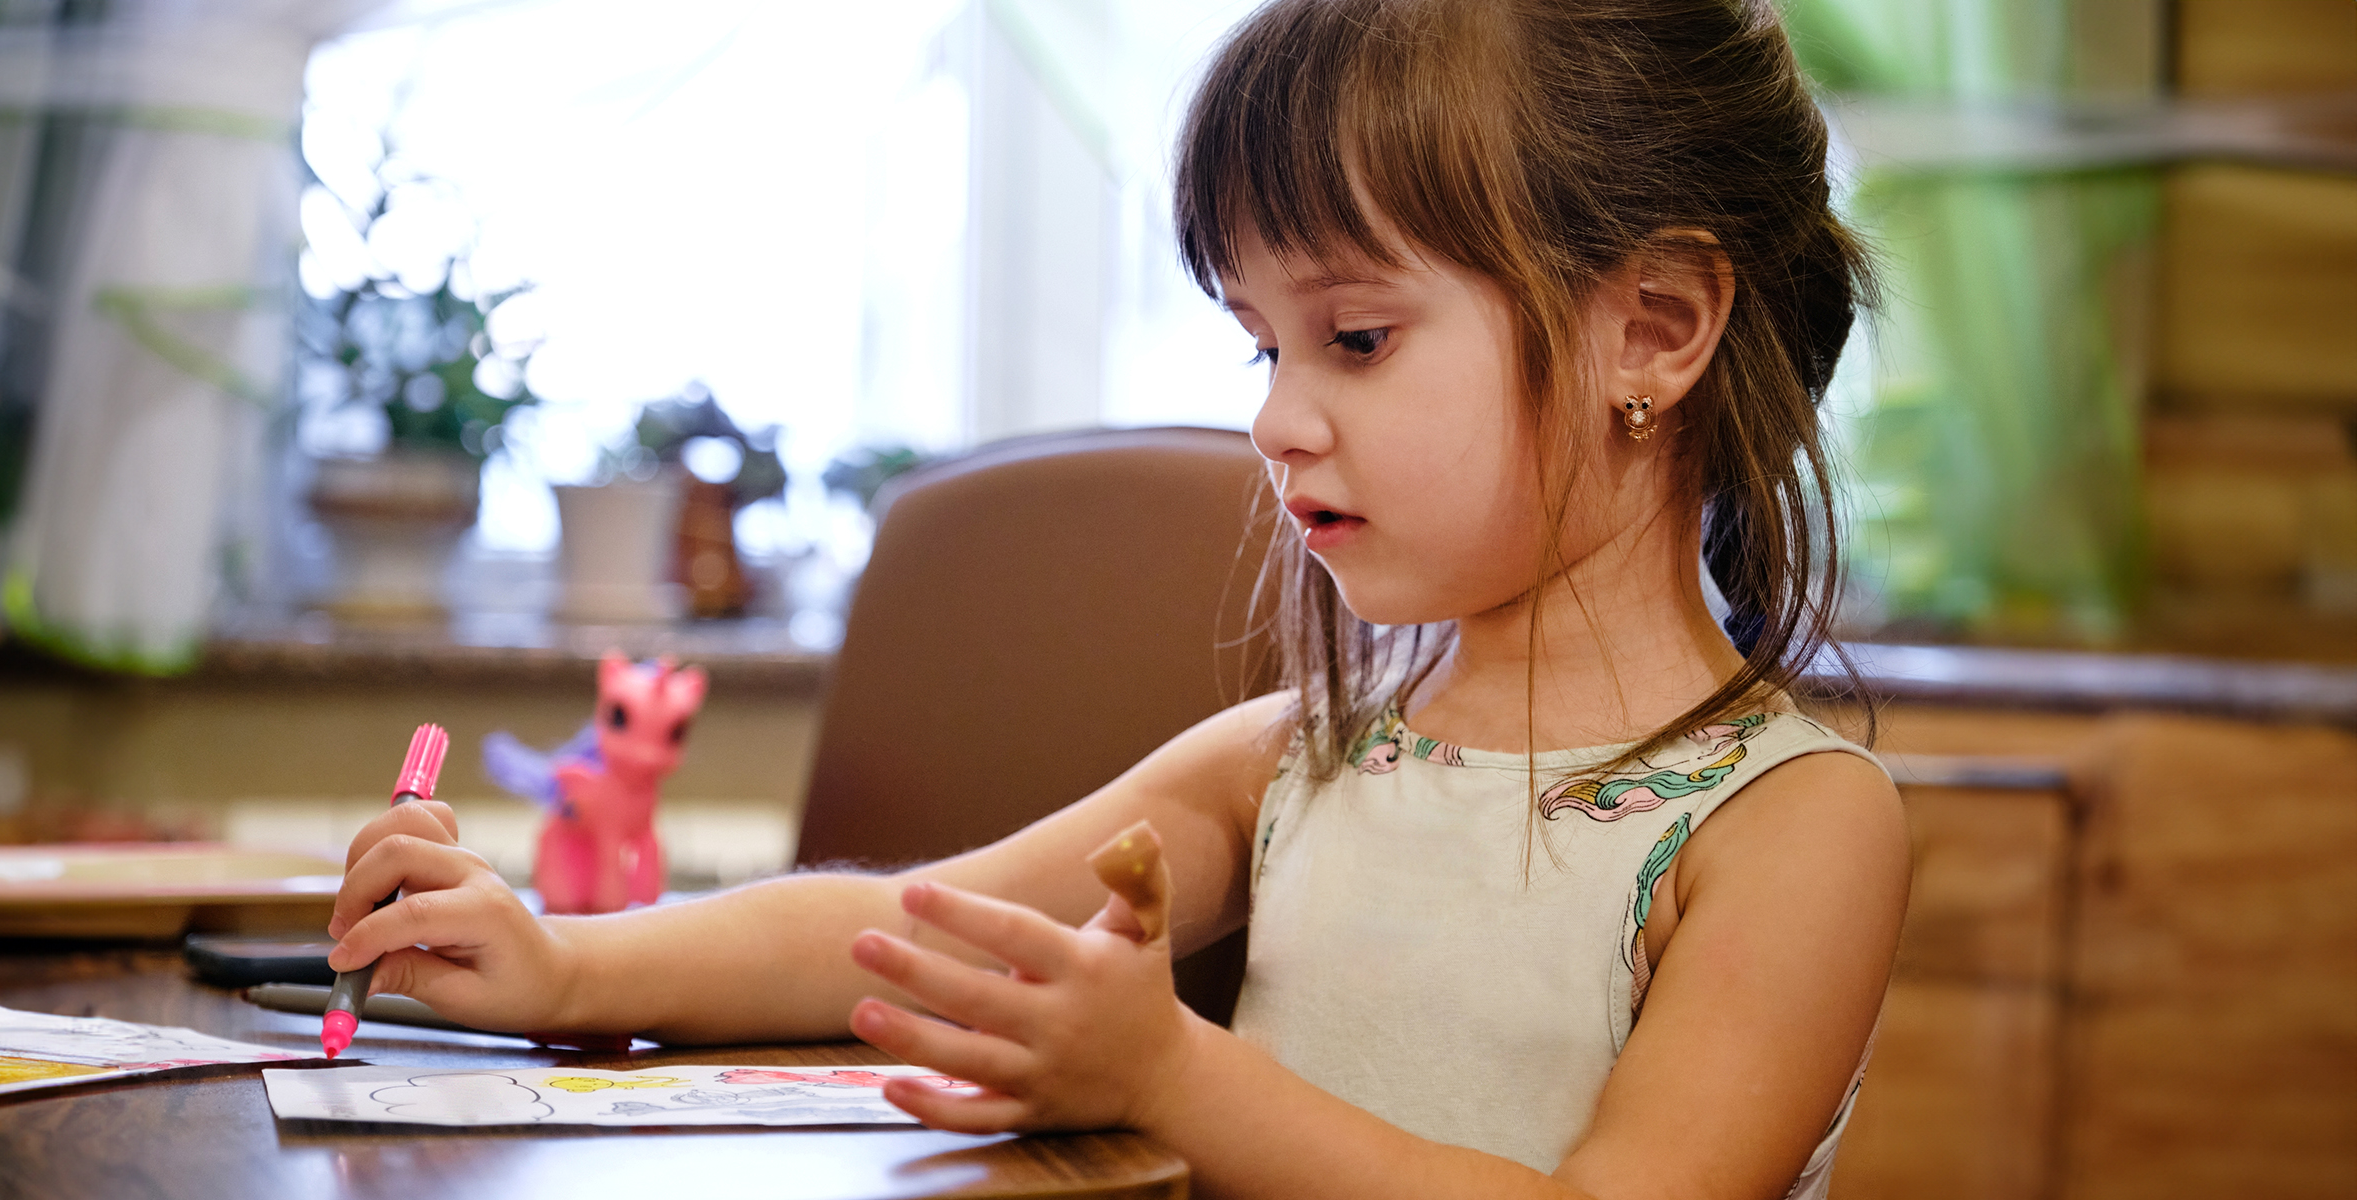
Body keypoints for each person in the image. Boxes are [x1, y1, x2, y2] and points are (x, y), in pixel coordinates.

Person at [326, 1, 1910, 1195]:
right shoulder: (1300, 756)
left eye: (1356, 338)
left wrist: (1172, 1074)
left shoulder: (1788, 825)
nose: (1277, 418)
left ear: (1656, 326)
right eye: (1259, 344)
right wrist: (568, 970)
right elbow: (911, 927)